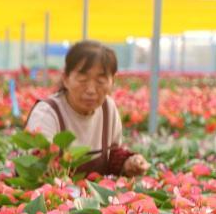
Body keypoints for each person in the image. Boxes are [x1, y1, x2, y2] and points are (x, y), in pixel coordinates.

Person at [24, 40, 149, 177]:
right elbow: (36, 166)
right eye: (82, 79)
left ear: (112, 81)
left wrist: (128, 163)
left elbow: (112, 154)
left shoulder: (108, 109)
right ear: (66, 79)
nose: (91, 90)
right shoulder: (47, 114)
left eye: (100, 81)